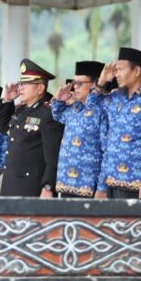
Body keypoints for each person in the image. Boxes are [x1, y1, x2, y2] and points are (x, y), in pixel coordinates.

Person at [90, 49, 141, 200]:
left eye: (120, 70)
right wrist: (101, 82)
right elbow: (92, 106)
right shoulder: (115, 98)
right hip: (111, 182)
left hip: (138, 185)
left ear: (137, 70)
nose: (116, 74)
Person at [0, 59, 64, 197]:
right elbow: (4, 128)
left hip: (30, 188)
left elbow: (52, 156)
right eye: (21, 83)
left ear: (40, 88)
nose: (20, 87)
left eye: (26, 84)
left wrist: (48, 186)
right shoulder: (22, 110)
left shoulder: (48, 114)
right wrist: (8, 100)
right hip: (10, 184)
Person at [51, 61, 108, 198]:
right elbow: (58, 115)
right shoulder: (75, 107)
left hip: (89, 185)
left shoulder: (103, 109)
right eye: (74, 83)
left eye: (80, 84)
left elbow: (107, 150)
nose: (75, 87)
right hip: (66, 183)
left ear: (94, 84)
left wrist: (102, 187)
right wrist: (59, 100)